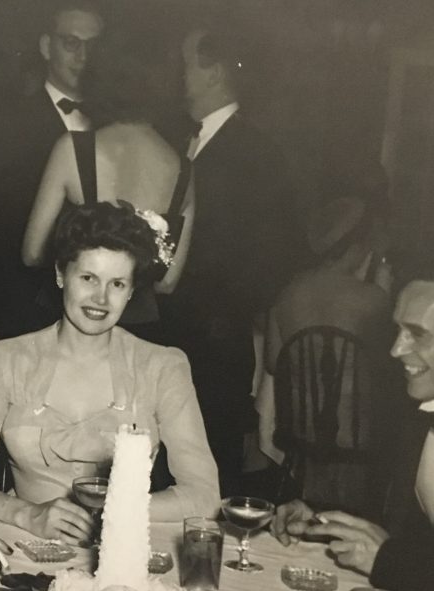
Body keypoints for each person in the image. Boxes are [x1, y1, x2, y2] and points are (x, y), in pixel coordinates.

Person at [0, 202, 220, 544]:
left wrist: (119, 511)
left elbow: (204, 494)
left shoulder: (162, 367)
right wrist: (28, 514)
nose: (100, 299)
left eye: (117, 284)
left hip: (122, 551)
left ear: (132, 291)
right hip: (24, 545)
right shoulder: (4, 359)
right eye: (88, 278)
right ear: (61, 274)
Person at [271, 255, 434, 591]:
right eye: (397, 330)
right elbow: (408, 530)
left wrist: (387, 560)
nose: (395, 350)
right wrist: (321, 520)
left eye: (417, 334)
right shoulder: (415, 411)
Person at [158, 25, 302, 495]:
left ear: (214, 72)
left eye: (185, 65)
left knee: (206, 477)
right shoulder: (176, 142)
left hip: (213, 350)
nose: (177, 76)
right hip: (165, 340)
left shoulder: (259, 154)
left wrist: (214, 313)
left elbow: (273, 259)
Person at [22, 39, 194, 342]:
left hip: (72, 329)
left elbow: (32, 253)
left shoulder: (72, 149)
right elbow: (167, 282)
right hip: (142, 335)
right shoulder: (183, 167)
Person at [0, 0, 106, 348]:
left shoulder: (114, 125)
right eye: (71, 43)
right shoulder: (6, 123)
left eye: (92, 46)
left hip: (96, 321)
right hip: (23, 315)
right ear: (47, 47)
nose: (83, 58)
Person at [258, 196, 397, 512]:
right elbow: (389, 372)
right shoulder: (372, 299)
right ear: (357, 247)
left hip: (301, 442)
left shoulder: (288, 293)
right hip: (357, 444)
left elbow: (272, 363)